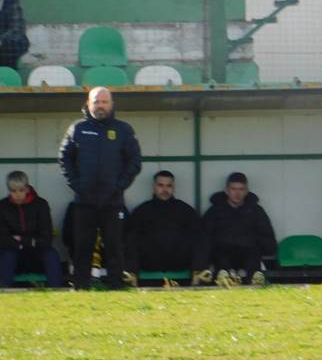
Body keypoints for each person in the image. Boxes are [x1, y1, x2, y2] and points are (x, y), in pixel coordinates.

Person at [58, 87, 142, 290]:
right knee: (82, 246)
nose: (100, 106)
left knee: (114, 245)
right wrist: (77, 185)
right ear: (88, 104)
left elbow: (134, 161)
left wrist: (119, 186)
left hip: (112, 200)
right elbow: (64, 158)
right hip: (84, 200)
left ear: (112, 104)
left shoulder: (123, 130)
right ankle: (81, 286)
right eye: (96, 102)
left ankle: (116, 286)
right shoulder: (77, 129)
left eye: (104, 102)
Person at [124, 170, 204, 286]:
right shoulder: (142, 211)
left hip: (179, 259)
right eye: (160, 185)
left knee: (200, 236)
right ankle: (131, 275)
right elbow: (130, 238)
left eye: (169, 186)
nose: (165, 189)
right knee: (131, 237)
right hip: (150, 260)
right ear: (154, 187)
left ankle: (198, 274)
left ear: (173, 187)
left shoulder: (185, 210)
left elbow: (199, 237)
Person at [200, 172, 277, 287]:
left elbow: (267, 235)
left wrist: (260, 246)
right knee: (220, 257)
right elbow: (204, 236)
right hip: (222, 251)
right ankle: (224, 279)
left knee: (253, 256)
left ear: (246, 191)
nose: (237, 193)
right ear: (227, 191)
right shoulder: (215, 211)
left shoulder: (256, 211)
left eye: (241, 189)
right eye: (233, 189)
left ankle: (255, 282)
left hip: (248, 252)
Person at [0, 171, 63, 287]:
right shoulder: (3, 206)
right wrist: (31, 241)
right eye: (13, 191)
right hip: (14, 253)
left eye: (21, 190)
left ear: (27, 189)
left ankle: (56, 290)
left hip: (37, 253)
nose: (18, 194)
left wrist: (22, 240)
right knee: (8, 256)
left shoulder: (41, 205)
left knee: (51, 255)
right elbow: (3, 239)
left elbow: (46, 238)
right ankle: (4, 292)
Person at [0, 0, 29, 70]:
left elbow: (17, 27)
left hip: (5, 42)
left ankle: (8, 74)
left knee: (16, 43)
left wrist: (1, 40)